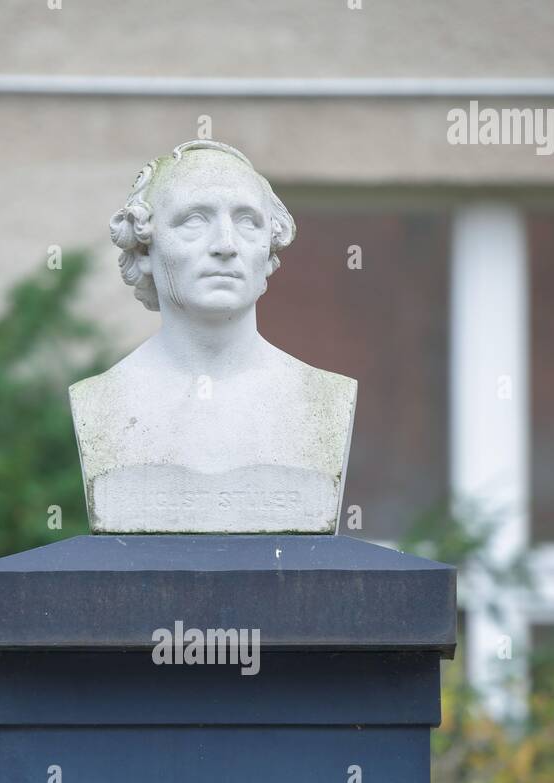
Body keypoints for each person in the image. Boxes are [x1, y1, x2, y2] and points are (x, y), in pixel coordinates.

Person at [70, 140, 357, 534]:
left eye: (247, 221)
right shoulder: (101, 403)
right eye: (194, 220)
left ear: (268, 247)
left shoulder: (324, 400)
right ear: (145, 250)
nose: (225, 245)